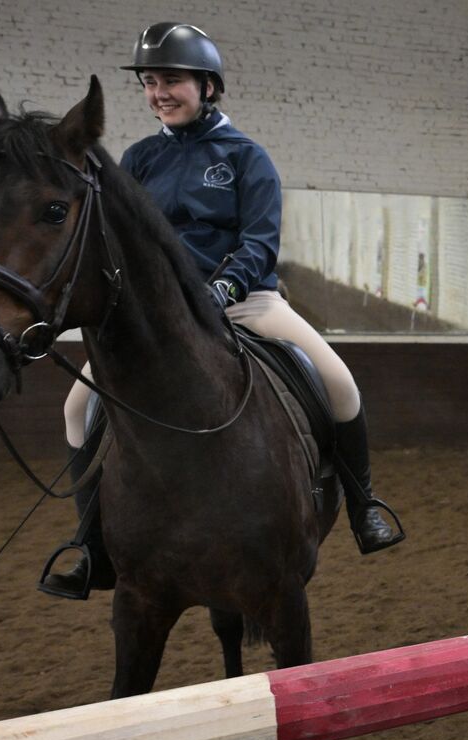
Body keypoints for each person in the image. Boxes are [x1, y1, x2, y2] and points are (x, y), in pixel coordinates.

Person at [41, 23, 401, 599]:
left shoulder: (246, 157)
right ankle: (90, 545)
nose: (160, 92)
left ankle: (364, 507)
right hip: (161, 321)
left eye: (173, 80)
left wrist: (216, 294)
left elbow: (259, 242)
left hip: (246, 304)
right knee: (75, 407)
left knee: (340, 384)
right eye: (151, 82)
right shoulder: (137, 159)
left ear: (208, 86)